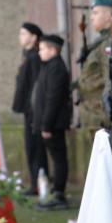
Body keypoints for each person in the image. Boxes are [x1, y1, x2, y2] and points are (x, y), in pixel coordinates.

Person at [31, 33, 72, 211]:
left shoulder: (56, 68)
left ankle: (59, 195)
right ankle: (55, 192)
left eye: (42, 49)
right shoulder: (49, 66)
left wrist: (46, 125)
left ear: (52, 50)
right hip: (47, 123)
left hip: (53, 124)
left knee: (59, 159)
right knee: (56, 158)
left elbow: (53, 99)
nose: (39, 52)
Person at [75, 0, 112, 131]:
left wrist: (107, 119)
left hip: (101, 116)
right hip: (93, 114)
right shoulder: (101, 42)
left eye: (95, 13)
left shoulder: (110, 42)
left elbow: (110, 80)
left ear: (108, 16)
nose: (91, 18)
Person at [11, 22, 47, 197]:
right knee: (31, 147)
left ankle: (38, 184)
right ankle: (36, 182)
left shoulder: (33, 57)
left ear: (34, 37)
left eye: (24, 34)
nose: (20, 37)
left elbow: (35, 86)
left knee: (35, 148)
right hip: (29, 110)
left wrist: (34, 111)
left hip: (34, 111)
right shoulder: (27, 55)